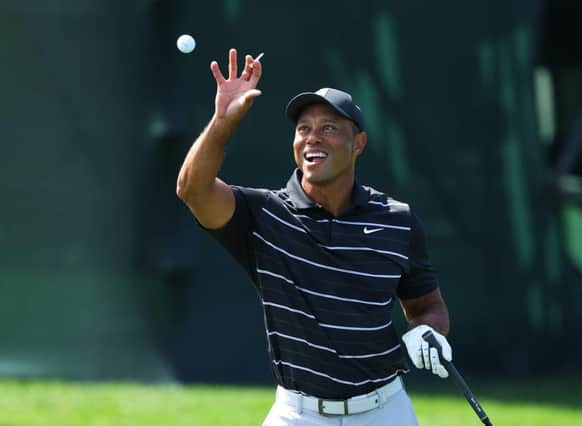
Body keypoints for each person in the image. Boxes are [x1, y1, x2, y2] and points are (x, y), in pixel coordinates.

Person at [176, 48, 453, 426]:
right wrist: (223, 122)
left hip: (385, 411)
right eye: (303, 128)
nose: (312, 138)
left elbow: (426, 306)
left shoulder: (397, 220)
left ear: (358, 144)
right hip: (297, 415)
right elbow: (193, 190)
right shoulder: (263, 214)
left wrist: (428, 332)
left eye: (329, 128)